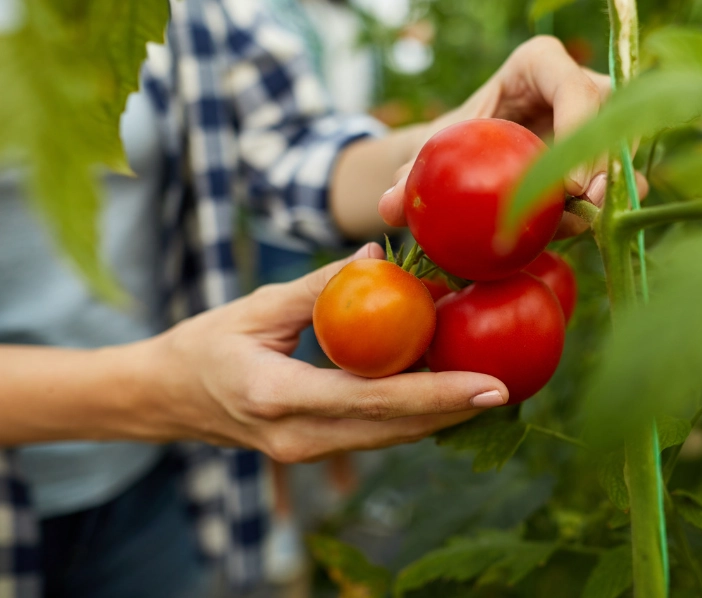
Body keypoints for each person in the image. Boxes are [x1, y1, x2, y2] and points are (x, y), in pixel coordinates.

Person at [0, 0, 621, 595]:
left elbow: (292, 152)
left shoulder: (193, 9)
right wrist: (159, 391)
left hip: (156, 491)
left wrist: (458, 141)